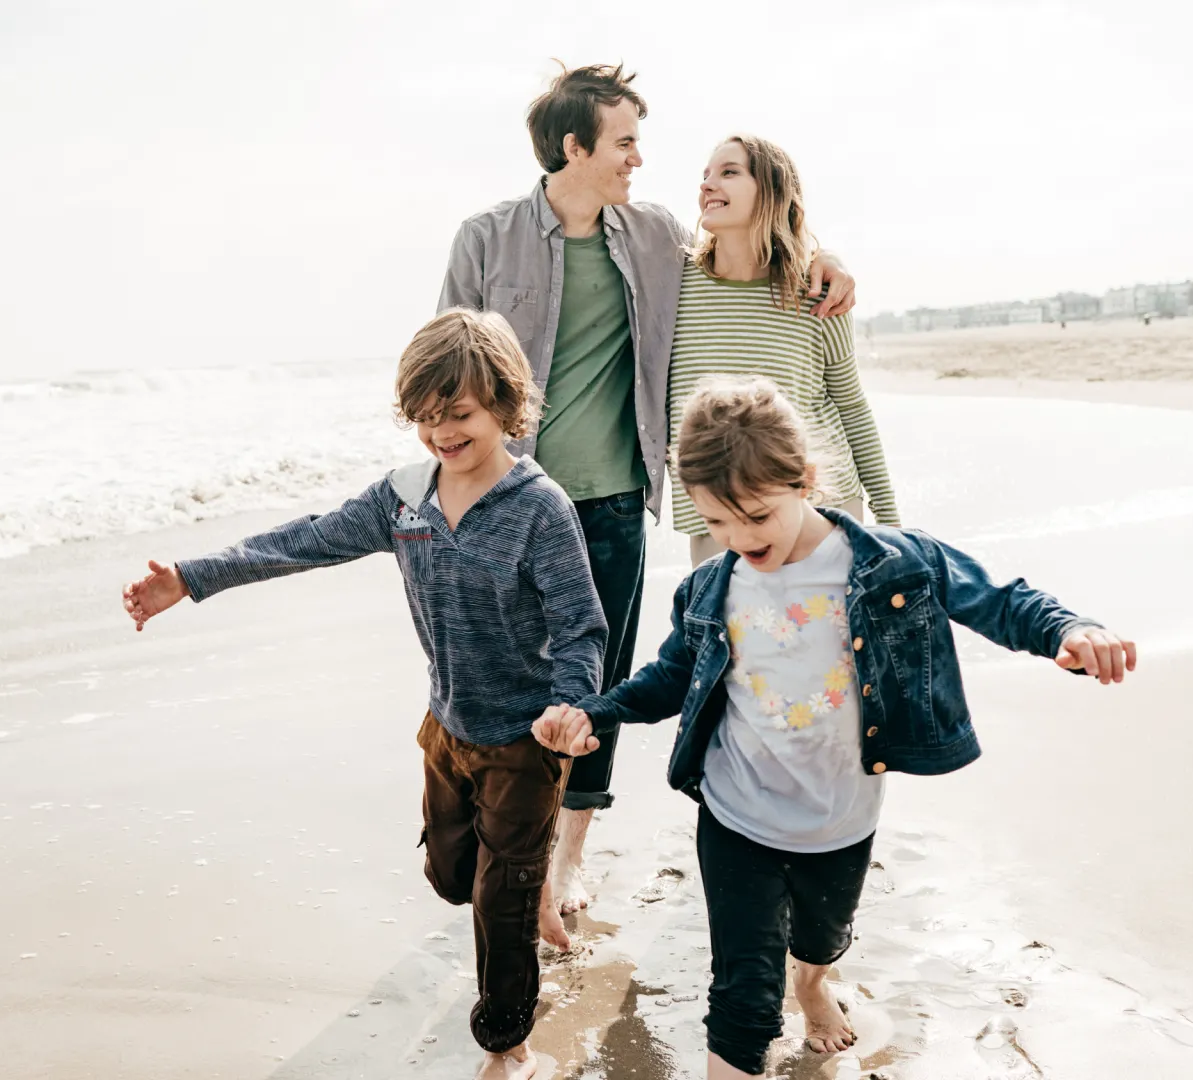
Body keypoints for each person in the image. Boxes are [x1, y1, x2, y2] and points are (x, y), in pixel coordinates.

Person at [533, 379, 1135, 1078]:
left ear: (806, 482)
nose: (738, 540)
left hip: (840, 818)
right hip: (735, 814)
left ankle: (814, 986)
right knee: (741, 998)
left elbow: (999, 599)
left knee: (820, 943)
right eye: (716, 524)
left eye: (756, 516)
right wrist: (594, 714)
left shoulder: (892, 563)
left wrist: (1069, 629)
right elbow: (667, 679)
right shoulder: (709, 590)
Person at [120, 309, 604, 1080]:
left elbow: (580, 627)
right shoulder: (404, 499)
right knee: (453, 879)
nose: (443, 433)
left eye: (461, 415)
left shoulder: (539, 510)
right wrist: (191, 576)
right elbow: (304, 540)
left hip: (525, 740)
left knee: (497, 909)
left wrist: (570, 706)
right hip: (446, 729)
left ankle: (507, 1046)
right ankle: (523, 876)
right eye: (426, 417)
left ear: (508, 410)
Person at [438, 64, 859, 938]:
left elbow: (748, 254)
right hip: (508, 500)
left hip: (617, 498)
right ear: (574, 146)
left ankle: (565, 854)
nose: (640, 158)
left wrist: (827, 259)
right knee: (498, 670)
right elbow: (446, 366)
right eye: (625, 141)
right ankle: (489, 827)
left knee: (599, 674)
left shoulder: (656, 236)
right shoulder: (485, 239)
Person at [672, 134, 900, 568]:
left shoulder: (817, 292)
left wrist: (890, 523)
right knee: (730, 637)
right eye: (705, 176)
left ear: (773, 191)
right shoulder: (672, 285)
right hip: (717, 519)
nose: (706, 185)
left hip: (821, 510)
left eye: (728, 172)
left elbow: (851, 407)